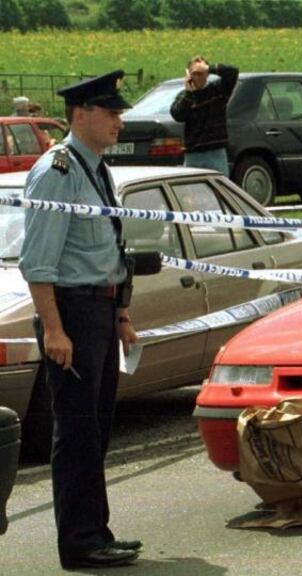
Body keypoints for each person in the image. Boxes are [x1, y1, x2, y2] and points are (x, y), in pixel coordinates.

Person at [19, 70, 142, 569]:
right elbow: (38, 263)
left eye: (118, 112)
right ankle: (80, 542)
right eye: (110, 112)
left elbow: (109, 247)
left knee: (97, 430)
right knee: (75, 433)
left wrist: (121, 314)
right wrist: (53, 328)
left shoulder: (97, 168)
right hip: (69, 312)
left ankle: (97, 531)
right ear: (80, 115)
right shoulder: (59, 172)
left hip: (98, 310)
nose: (118, 120)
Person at [169, 56, 238, 176]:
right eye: (195, 73)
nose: (198, 77)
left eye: (202, 73)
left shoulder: (218, 90)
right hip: (193, 154)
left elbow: (232, 72)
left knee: (219, 190)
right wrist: (189, 94)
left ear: (207, 75)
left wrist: (207, 68)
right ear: (189, 75)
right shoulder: (184, 96)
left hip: (215, 152)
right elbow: (177, 115)